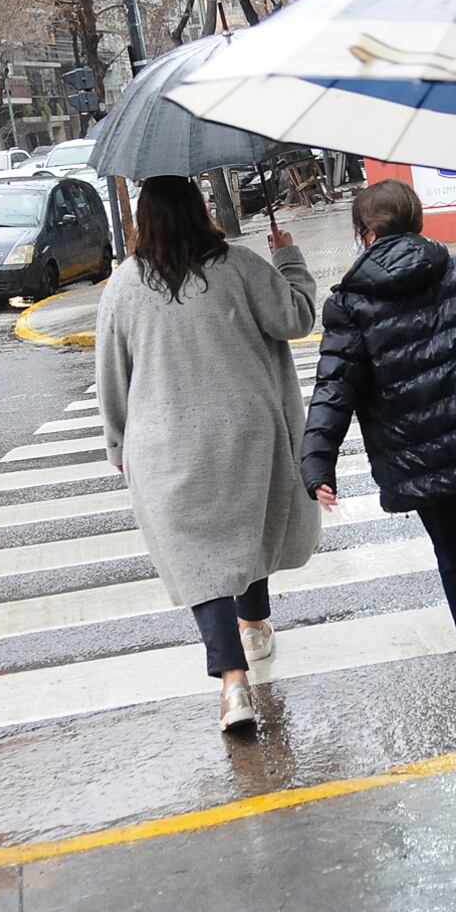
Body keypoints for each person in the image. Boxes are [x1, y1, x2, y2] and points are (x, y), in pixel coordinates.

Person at [302, 180, 456, 744]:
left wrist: (318, 463)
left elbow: (333, 390)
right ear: (417, 221)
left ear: (363, 235)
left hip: (415, 457)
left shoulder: (349, 304)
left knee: (453, 556)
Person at [95, 174, 320, 734]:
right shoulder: (240, 267)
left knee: (202, 559)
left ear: (142, 221)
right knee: (247, 526)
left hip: (164, 443)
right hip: (247, 431)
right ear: (201, 210)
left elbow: (111, 378)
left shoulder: (123, 287)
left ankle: (232, 684)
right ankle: (255, 624)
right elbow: (295, 318)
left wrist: (119, 443)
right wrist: (289, 261)